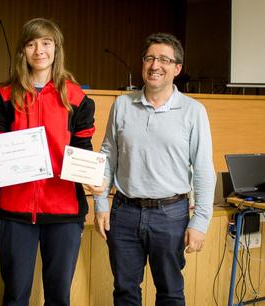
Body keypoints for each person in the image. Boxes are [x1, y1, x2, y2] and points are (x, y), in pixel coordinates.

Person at [0, 18, 95, 306]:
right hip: (15, 212)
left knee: (59, 297)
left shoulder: (77, 98)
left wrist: (93, 176)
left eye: (46, 43)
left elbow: (83, 149)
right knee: (14, 296)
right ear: (22, 51)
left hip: (65, 211)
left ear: (56, 49)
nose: (39, 50)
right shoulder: (3, 96)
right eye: (31, 43)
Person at [87, 33, 216, 305]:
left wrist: (200, 222)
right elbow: (108, 156)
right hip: (124, 214)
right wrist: (100, 204)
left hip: (171, 215)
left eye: (164, 60)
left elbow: (204, 169)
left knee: (170, 292)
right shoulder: (122, 104)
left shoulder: (193, 111)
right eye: (149, 58)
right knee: (125, 291)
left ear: (177, 68)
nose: (155, 65)